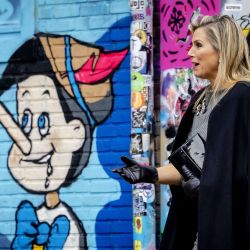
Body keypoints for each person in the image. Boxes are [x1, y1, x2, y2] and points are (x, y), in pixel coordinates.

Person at [113, 15, 250, 250]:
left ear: (222, 49)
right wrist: (148, 174)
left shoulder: (243, 98)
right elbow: (189, 166)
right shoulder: (200, 100)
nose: (189, 53)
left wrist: (209, 184)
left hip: (231, 228)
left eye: (198, 45)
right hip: (198, 229)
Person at [0, 33, 127, 249]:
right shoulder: (35, 217)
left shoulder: (66, 228)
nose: (28, 142)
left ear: (75, 132)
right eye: (25, 120)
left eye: (43, 122)